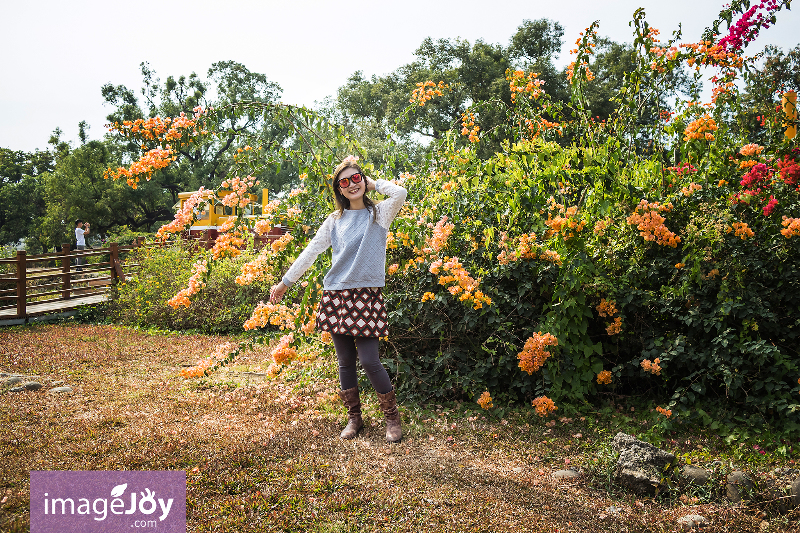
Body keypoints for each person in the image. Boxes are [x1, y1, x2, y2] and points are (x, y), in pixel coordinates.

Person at [270, 157, 407, 443]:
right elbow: (311, 252)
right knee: (345, 361)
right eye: (344, 182)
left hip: (367, 295)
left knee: (370, 360)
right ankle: (354, 419)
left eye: (356, 179)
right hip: (336, 293)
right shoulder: (334, 221)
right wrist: (285, 282)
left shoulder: (380, 214)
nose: (351, 185)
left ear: (363, 181)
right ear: (339, 190)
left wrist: (373, 184)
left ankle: (392, 419)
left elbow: (400, 193)